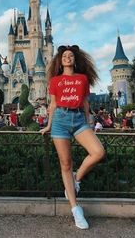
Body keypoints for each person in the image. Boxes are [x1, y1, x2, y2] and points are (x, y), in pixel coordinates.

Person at [40, 45, 105, 230]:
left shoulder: (83, 79)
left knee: (98, 152)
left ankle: (77, 179)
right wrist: (49, 125)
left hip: (78, 119)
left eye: (70, 56)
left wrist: (90, 123)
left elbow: (85, 103)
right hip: (60, 119)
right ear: (60, 61)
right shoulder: (54, 81)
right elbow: (52, 105)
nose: (67, 57)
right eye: (64, 56)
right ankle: (76, 209)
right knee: (65, 164)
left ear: (75, 60)